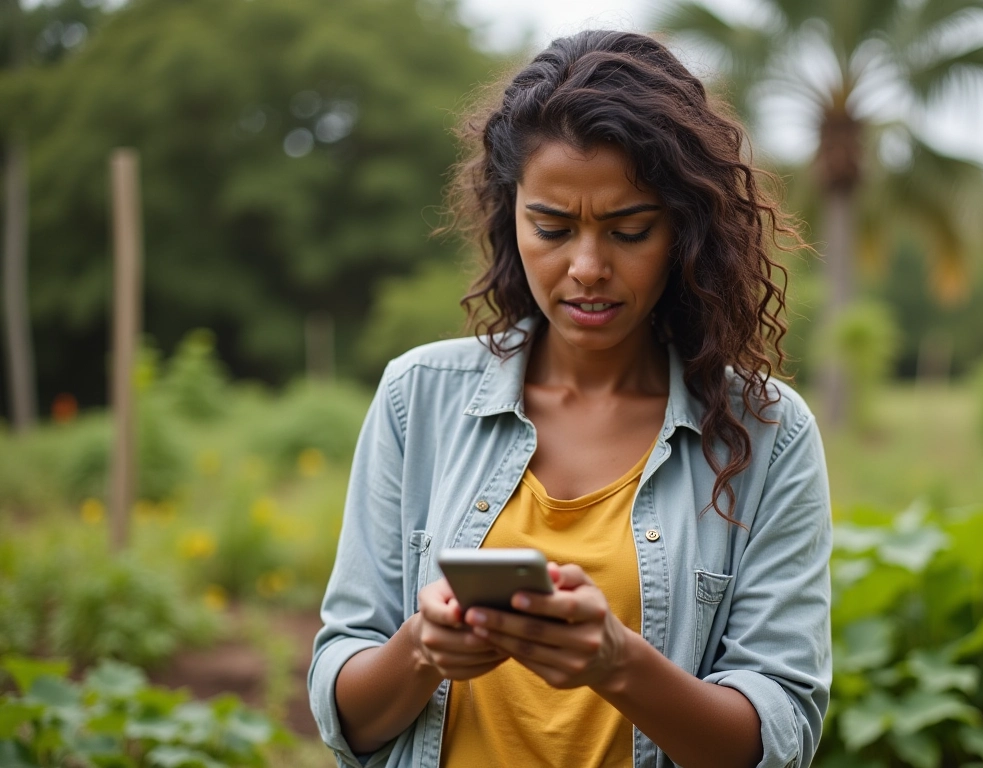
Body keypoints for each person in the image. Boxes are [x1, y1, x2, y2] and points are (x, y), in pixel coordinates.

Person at [308, 29, 832, 768]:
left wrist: (619, 663)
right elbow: (345, 708)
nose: (587, 267)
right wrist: (422, 649)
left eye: (629, 230)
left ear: (685, 229)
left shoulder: (767, 433)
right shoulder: (416, 398)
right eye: (551, 227)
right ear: (508, 214)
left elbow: (778, 737)